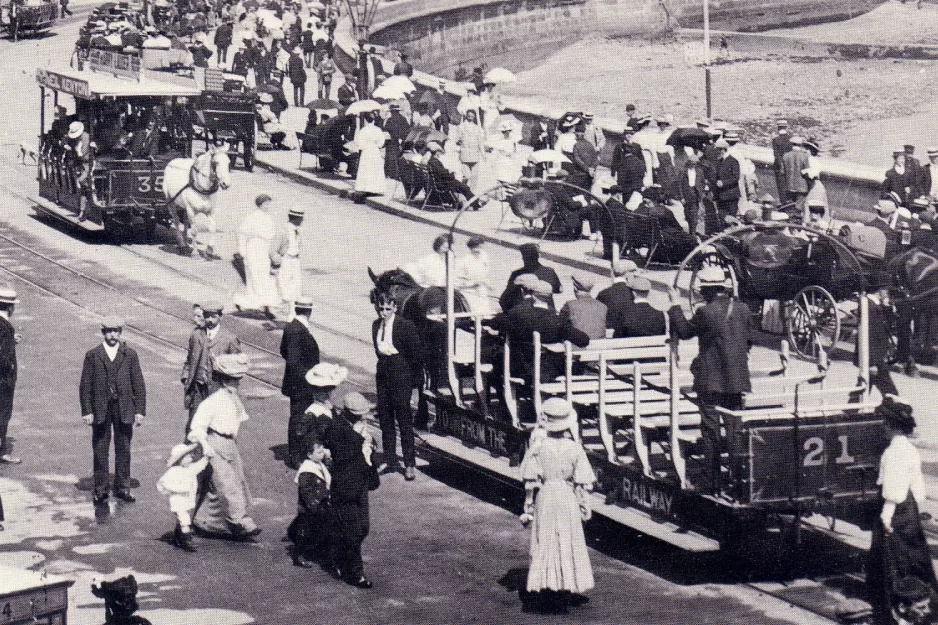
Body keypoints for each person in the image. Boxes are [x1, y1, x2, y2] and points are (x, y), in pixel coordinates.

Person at [668, 266, 752, 496]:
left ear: (706, 290)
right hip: (736, 381)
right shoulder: (743, 309)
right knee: (735, 431)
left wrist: (675, 306)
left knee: (711, 431)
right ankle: (739, 482)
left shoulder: (706, 312)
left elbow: (684, 332)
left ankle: (713, 482)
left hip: (711, 381)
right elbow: (748, 341)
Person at [520, 397, 596, 614]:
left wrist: (528, 504)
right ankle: (564, 584)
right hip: (566, 496)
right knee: (567, 537)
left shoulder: (538, 448)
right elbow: (582, 482)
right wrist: (584, 504)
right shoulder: (574, 449)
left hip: (546, 496)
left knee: (546, 539)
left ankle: (547, 587)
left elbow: (530, 481)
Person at [867, 397, 938, 625]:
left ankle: (900, 609)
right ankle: (923, 603)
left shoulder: (894, 452)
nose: (882, 428)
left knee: (894, 560)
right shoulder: (909, 449)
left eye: (884, 423)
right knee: (913, 556)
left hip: (896, 510)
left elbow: (894, 491)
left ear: (889, 424)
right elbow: (917, 487)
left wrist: (886, 517)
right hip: (910, 509)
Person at [188, 353, 261, 540]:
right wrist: (205, 446)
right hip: (214, 444)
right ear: (221, 381)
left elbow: (235, 425)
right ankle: (240, 520)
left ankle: (206, 521)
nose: (234, 385)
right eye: (230, 381)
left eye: (237, 381)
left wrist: (233, 444)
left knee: (235, 481)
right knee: (226, 485)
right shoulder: (211, 402)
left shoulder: (235, 401)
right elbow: (197, 428)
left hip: (229, 445)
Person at [80, 317, 146, 505]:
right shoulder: (93, 355)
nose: (112, 335)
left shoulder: (130, 354)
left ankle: (123, 487)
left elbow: (138, 383)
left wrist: (139, 410)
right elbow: (85, 385)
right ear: (103, 332)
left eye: (116, 331)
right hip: (101, 408)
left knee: (124, 448)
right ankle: (100, 489)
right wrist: (87, 411)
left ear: (120, 332)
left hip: (124, 407)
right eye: (108, 331)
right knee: (100, 448)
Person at [322, 392, 376, 588]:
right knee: (353, 530)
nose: (363, 416)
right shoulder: (336, 428)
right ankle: (355, 573)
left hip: (360, 483)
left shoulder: (358, 427)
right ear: (349, 413)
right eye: (359, 413)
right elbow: (343, 454)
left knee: (363, 527)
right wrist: (360, 437)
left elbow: (369, 448)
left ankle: (338, 553)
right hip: (344, 486)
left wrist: (367, 441)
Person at [372, 295, 423, 481]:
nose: (383, 312)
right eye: (380, 309)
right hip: (383, 375)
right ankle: (390, 459)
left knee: (404, 422)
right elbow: (378, 351)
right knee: (385, 420)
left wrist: (416, 386)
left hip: (401, 376)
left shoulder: (405, 326)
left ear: (394, 307)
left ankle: (409, 464)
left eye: (387, 308)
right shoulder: (376, 325)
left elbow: (416, 357)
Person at [181, 301, 241, 433]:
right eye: (207, 316)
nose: (209, 320)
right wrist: (186, 377)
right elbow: (189, 360)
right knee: (195, 426)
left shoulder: (229, 338)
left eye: (213, 316)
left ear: (220, 317)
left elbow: (238, 367)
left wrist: (231, 387)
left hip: (218, 390)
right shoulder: (196, 335)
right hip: (198, 388)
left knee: (216, 427)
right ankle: (197, 453)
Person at [279, 296, 321, 468]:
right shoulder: (298, 330)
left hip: (297, 384)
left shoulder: (291, 327)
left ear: (296, 309)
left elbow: (283, 351)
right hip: (301, 385)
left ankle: (298, 452)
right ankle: (296, 456)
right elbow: (293, 361)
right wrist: (311, 376)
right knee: (298, 419)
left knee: (298, 418)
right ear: (309, 312)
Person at [234, 194, 280, 319]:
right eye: (266, 204)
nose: (268, 206)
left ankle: (265, 305)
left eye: (269, 204)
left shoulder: (269, 218)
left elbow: (272, 237)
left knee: (265, 277)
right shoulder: (252, 217)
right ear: (260, 204)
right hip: (253, 249)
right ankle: (251, 303)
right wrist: (242, 251)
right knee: (253, 277)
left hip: (265, 250)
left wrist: (273, 253)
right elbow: (242, 234)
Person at [158, 442, 209, 552]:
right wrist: (176, 488)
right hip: (178, 501)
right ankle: (185, 539)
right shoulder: (174, 471)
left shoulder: (190, 469)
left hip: (187, 500)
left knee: (184, 518)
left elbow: (200, 466)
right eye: (187, 456)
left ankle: (178, 535)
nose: (191, 457)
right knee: (185, 520)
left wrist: (207, 457)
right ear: (179, 459)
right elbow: (162, 483)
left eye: (191, 455)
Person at [288, 440, 332, 568]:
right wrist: (313, 505)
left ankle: (318, 552)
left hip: (321, 505)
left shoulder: (319, 464)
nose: (322, 454)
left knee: (319, 530)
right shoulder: (307, 471)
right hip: (310, 508)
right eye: (318, 452)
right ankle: (299, 555)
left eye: (322, 451)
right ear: (309, 454)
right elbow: (306, 491)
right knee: (305, 531)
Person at [500, 243, 562, 313]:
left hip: (525, 314)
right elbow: (559, 290)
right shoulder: (550, 271)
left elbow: (504, 300)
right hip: (549, 313)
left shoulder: (517, 274)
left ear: (524, 258)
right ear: (538, 256)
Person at [273, 206, 305, 318]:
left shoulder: (297, 231)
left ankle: (292, 316)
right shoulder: (283, 231)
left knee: (296, 288)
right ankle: (273, 307)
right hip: (285, 260)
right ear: (295, 218)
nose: (302, 221)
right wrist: (277, 262)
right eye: (301, 218)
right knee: (284, 290)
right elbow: (273, 250)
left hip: (295, 261)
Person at [0, 288, 20, 465]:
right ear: (9, 307)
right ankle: (2, 452)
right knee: (4, 414)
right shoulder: (5, 327)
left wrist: (12, 340)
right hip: (3, 379)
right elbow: (4, 358)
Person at [560, 274, 607, 340]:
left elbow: (560, 326)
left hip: (578, 348)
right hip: (602, 348)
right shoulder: (603, 306)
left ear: (575, 288)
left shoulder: (569, 306)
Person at [456, 236, 492, 317]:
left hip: (482, 292)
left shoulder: (484, 257)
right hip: (469, 293)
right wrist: (472, 283)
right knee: (473, 316)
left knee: (484, 316)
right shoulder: (463, 261)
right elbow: (458, 282)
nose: (479, 251)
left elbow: (485, 274)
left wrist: (487, 284)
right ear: (471, 248)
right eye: (477, 248)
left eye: (481, 248)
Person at [353, 111, 386, 197]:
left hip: (366, 151)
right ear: (373, 120)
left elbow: (359, 143)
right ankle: (375, 188)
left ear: (365, 120)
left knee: (366, 169)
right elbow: (381, 143)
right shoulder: (378, 130)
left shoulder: (363, 130)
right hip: (375, 151)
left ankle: (366, 187)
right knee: (375, 169)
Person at [712, 138, 740, 232]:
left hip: (731, 196)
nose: (717, 153)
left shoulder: (733, 161)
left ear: (723, 150)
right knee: (722, 219)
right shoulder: (719, 162)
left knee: (732, 220)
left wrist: (723, 183)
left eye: (718, 150)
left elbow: (736, 177)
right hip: (721, 196)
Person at [455, 110, 484, 179]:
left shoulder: (477, 127)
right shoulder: (461, 126)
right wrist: (459, 142)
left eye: (472, 116)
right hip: (465, 153)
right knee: (468, 176)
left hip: (474, 154)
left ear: (474, 116)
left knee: (475, 176)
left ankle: (472, 188)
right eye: (469, 116)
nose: (470, 117)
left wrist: (483, 153)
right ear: (466, 116)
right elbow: (456, 139)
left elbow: (480, 141)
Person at [770, 119, 792, 204]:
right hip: (789, 166)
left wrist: (781, 165)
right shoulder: (790, 139)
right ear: (786, 127)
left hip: (779, 168)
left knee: (781, 187)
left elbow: (776, 154)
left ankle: (784, 203)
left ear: (778, 128)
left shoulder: (775, 140)